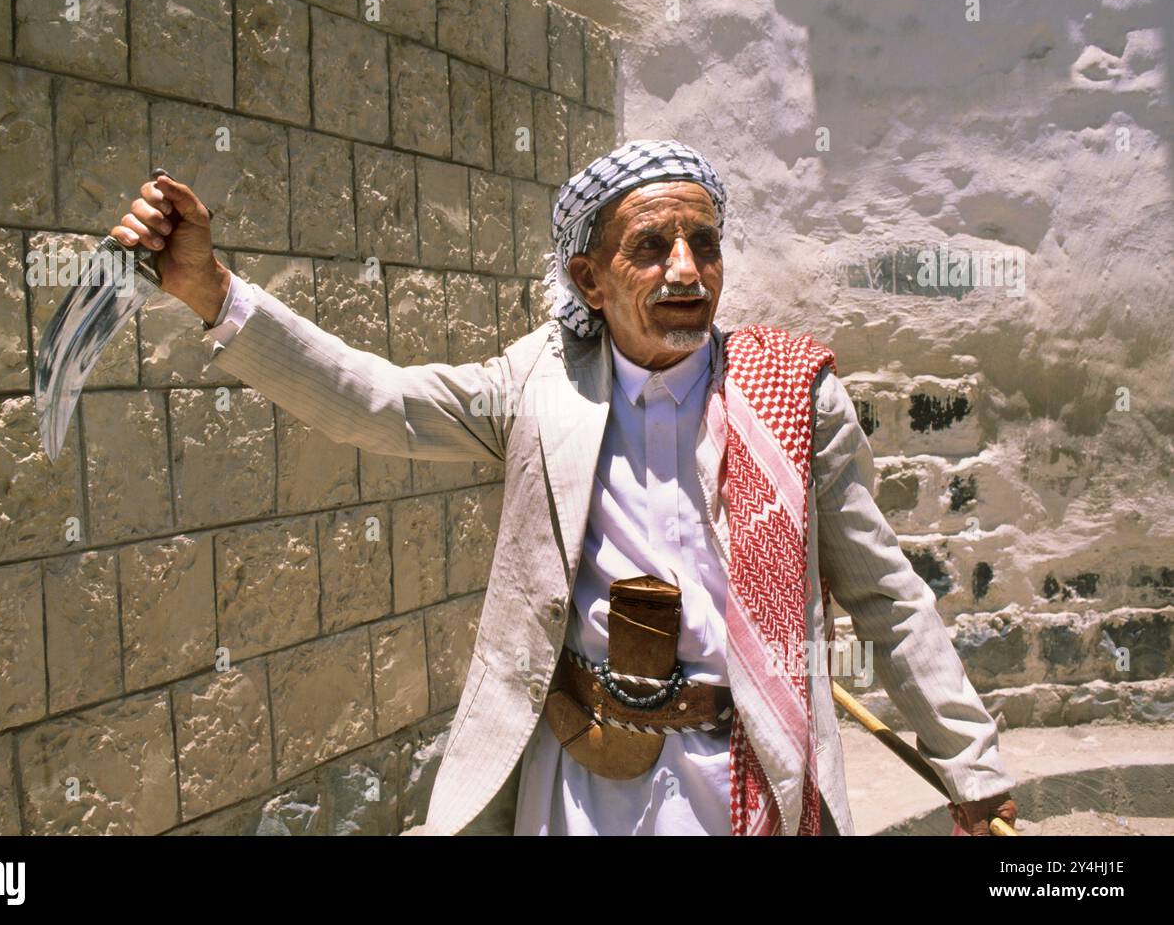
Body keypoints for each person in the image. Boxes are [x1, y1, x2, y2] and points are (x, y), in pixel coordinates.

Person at [109, 139, 1018, 836]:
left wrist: (970, 767)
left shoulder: (790, 394)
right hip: (584, 776)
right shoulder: (539, 386)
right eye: (652, 246)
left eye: (704, 243)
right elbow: (375, 402)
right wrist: (214, 291)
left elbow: (886, 595)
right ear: (589, 276)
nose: (687, 270)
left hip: (745, 776)